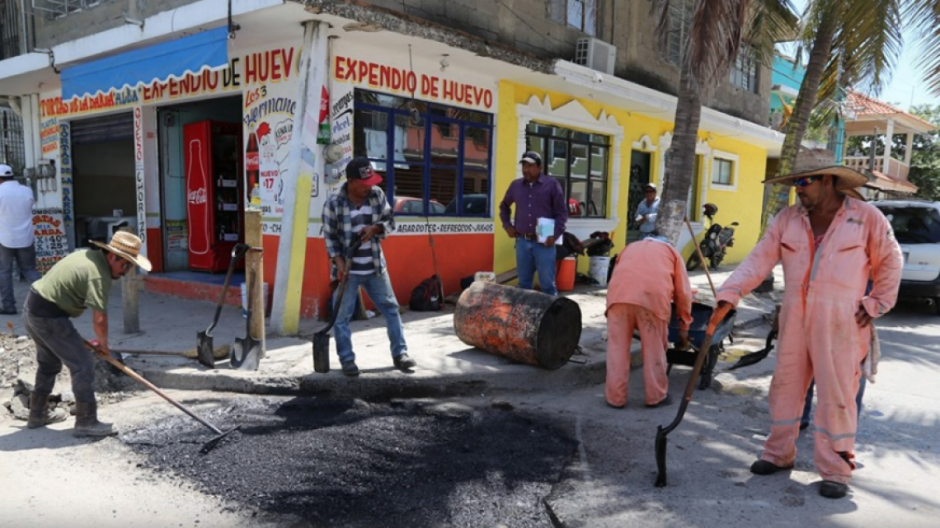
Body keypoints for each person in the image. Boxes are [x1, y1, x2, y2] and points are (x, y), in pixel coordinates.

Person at [708, 149, 902, 499]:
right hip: (795, 318)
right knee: (785, 387)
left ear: (827, 181)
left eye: (804, 182)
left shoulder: (866, 217)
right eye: (794, 182)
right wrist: (730, 293)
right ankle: (778, 453)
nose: (798, 189)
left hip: (841, 321)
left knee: (837, 396)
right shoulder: (787, 219)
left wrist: (876, 304)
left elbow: (890, 261)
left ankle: (836, 470)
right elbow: (758, 260)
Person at [24, 231, 151, 436]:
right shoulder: (98, 274)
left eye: (130, 266)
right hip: (48, 316)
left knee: (49, 364)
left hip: (33, 307)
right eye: (124, 265)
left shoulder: (89, 257)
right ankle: (86, 421)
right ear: (112, 256)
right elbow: (100, 319)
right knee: (83, 364)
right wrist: (103, 347)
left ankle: (37, 413)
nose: (126, 271)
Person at [322, 157, 414, 377]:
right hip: (347, 272)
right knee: (341, 318)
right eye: (364, 183)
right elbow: (330, 238)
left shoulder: (377, 195)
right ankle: (347, 360)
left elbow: (391, 221)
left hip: (375, 268)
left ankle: (400, 354)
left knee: (391, 309)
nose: (369, 186)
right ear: (351, 181)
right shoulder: (334, 202)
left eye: (371, 181)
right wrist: (339, 261)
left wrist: (375, 229)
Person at [605, 235, 692, 408]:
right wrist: (684, 324)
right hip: (651, 300)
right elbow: (683, 293)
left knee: (617, 349)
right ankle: (656, 396)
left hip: (618, 298)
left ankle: (615, 398)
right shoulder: (672, 252)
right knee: (654, 350)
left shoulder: (629, 247)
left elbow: (616, 274)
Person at [499, 151, 568, 296]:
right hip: (522, 242)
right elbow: (504, 206)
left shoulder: (551, 185)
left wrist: (554, 236)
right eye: (524, 165)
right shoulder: (516, 186)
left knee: (547, 285)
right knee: (523, 285)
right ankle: (526, 316)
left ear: (540, 167)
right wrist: (507, 226)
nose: (526, 169)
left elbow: (561, 213)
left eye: (530, 165)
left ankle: (551, 317)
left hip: (544, 242)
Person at [0, 164, 42, 314]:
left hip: (4, 238)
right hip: (25, 236)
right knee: (30, 270)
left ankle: (8, 306)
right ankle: (48, 301)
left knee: (4, 271)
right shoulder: (26, 190)